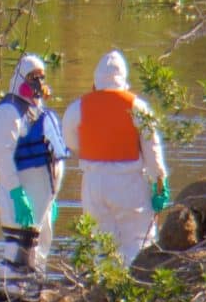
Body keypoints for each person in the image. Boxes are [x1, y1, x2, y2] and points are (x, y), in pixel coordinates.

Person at [62, 50, 170, 265]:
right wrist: (160, 183)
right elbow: (152, 149)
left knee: (100, 245)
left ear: (96, 80)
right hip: (129, 184)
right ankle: (133, 282)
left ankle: (104, 283)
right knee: (137, 243)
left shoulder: (78, 107)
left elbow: (70, 141)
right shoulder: (137, 106)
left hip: (93, 184)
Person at [0, 53, 68, 280]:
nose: (39, 83)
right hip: (21, 191)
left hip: (42, 195)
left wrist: (52, 197)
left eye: (41, 77)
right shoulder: (8, 111)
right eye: (33, 77)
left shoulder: (36, 110)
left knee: (39, 246)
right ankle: (11, 292)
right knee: (19, 246)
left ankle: (33, 291)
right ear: (21, 78)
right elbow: (3, 158)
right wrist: (16, 193)